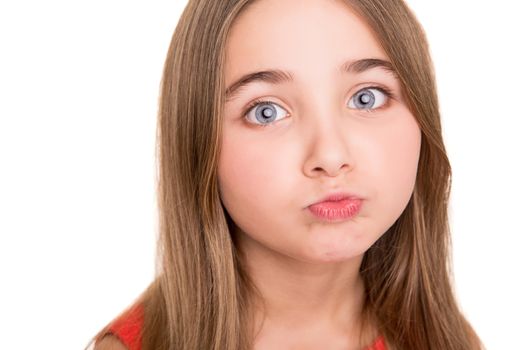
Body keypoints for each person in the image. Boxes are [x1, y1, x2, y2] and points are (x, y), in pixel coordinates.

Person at [86, 0, 484, 349]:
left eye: (367, 97)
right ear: (198, 142)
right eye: (266, 111)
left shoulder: (447, 341)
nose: (330, 156)